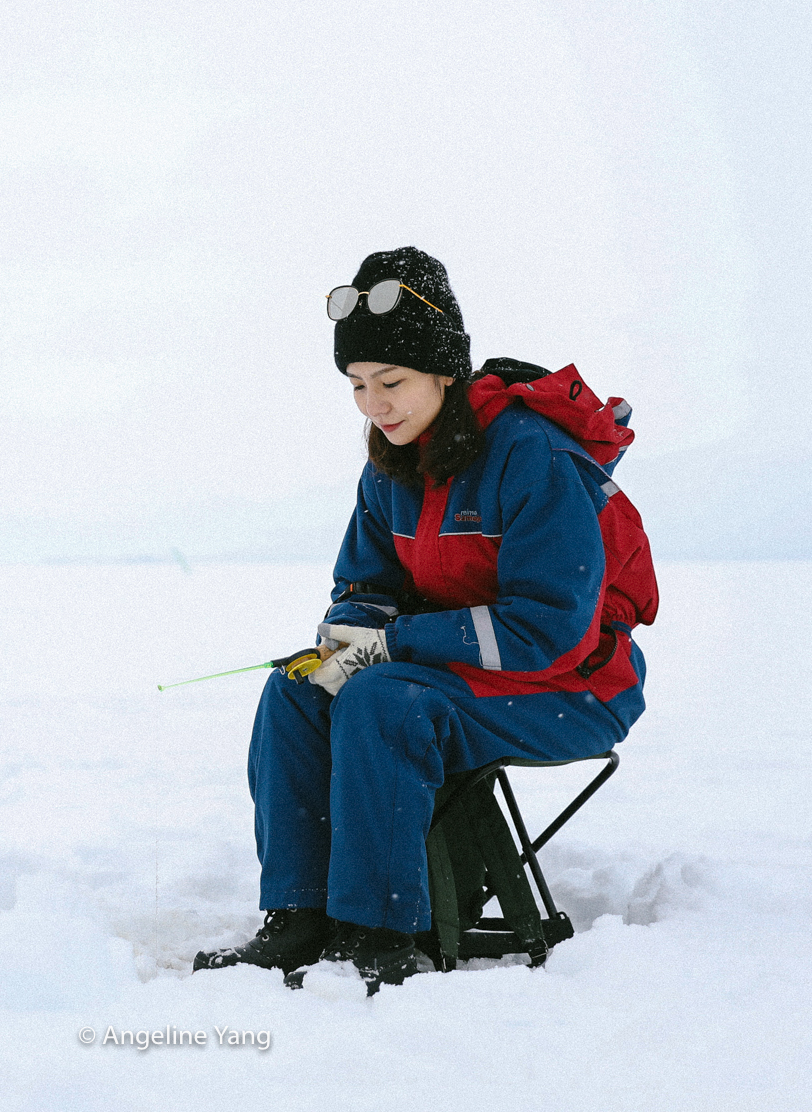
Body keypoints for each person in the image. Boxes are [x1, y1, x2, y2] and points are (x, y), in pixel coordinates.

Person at [192, 246, 657, 993]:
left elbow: (549, 627)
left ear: (446, 370)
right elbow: (364, 582)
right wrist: (349, 635)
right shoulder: (388, 465)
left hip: (575, 685)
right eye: (357, 385)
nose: (375, 404)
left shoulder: (529, 455)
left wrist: (397, 643)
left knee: (385, 701)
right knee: (296, 691)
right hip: (459, 674)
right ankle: (298, 917)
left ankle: (382, 933)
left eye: (392, 381)